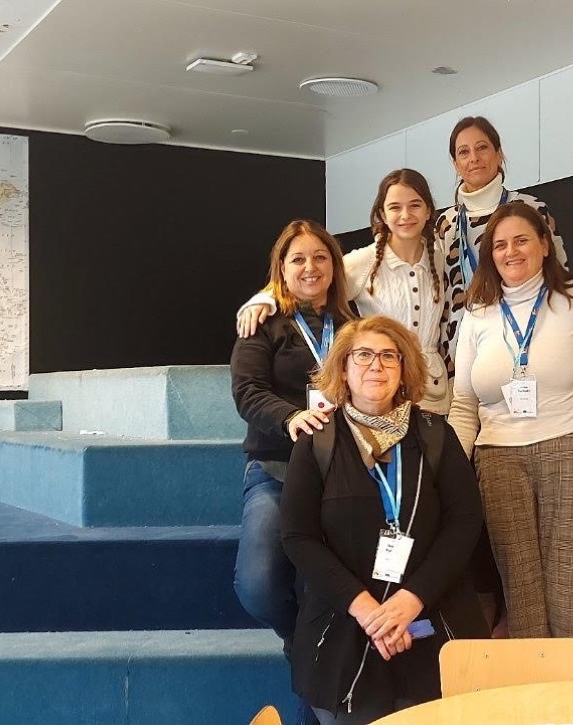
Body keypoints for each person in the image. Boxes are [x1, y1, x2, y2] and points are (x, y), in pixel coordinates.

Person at [281, 315, 488, 725]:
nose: (376, 365)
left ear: (403, 369)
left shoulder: (436, 434)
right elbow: (298, 537)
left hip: (431, 624)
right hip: (344, 633)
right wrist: (369, 613)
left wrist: (410, 601)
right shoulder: (317, 441)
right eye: (363, 355)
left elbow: (464, 523)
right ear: (343, 368)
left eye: (389, 356)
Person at [447, 200, 573, 647]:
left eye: (521, 240)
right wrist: (451, 468)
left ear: (545, 245)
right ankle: (534, 689)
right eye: (500, 245)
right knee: (522, 597)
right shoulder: (477, 314)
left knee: (572, 592)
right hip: (498, 459)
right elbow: (464, 404)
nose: (510, 252)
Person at [229, 219, 355, 722]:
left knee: (323, 590)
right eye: (298, 259)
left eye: (320, 257)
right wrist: (290, 418)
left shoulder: (352, 322)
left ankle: (313, 676)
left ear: (334, 266)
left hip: (338, 476)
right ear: (281, 268)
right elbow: (247, 392)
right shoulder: (263, 322)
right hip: (277, 469)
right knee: (257, 585)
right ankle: (300, 640)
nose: (310, 267)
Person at [236, 170, 453, 414]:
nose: (405, 215)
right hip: (382, 387)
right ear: (382, 214)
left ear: (428, 210)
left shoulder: (439, 257)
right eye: (395, 207)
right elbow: (313, 280)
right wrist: (262, 300)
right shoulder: (364, 261)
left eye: (415, 205)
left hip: (434, 390)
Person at [436, 116, 569, 361]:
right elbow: (440, 296)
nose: (474, 158)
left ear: (498, 155)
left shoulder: (531, 209)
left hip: (530, 341)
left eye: (482, 148)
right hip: (461, 351)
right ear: (455, 164)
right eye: (464, 152)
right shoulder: (446, 223)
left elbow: (560, 276)